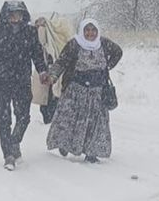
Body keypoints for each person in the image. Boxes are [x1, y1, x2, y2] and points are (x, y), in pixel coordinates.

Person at [0, 0, 48, 171]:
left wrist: (42, 71)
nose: (15, 17)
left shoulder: (30, 33)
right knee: (4, 120)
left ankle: (14, 142)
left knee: (24, 117)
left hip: (22, 82)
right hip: (0, 84)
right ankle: (8, 155)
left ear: (24, 15)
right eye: (12, 14)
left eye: (19, 14)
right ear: (5, 15)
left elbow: (37, 54)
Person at [45, 18, 122, 163]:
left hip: (97, 91)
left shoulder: (103, 43)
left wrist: (107, 66)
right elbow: (62, 62)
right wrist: (53, 76)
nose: (90, 33)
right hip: (76, 90)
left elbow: (118, 52)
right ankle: (64, 144)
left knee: (96, 123)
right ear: (82, 30)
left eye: (93, 30)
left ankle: (91, 151)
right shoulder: (74, 44)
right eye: (87, 30)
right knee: (69, 120)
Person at [32, 15, 73, 124]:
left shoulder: (51, 34)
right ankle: (50, 119)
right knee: (50, 97)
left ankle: (51, 120)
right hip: (50, 68)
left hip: (53, 68)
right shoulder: (50, 36)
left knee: (52, 97)